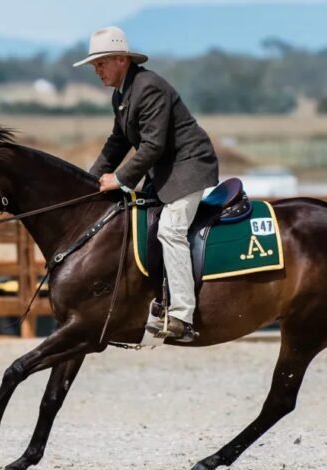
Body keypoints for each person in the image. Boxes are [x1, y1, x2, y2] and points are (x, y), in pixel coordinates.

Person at [74, 26, 219, 342]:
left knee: (171, 230)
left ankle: (181, 316)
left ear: (122, 59)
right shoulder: (122, 94)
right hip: (165, 172)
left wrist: (120, 179)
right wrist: (87, 181)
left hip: (189, 168)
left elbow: (152, 146)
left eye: (101, 63)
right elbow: (117, 143)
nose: (97, 71)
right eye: (95, 65)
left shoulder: (149, 87)